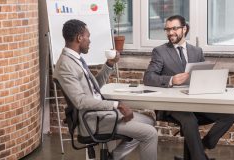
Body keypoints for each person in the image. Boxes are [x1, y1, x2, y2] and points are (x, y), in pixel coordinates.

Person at [54, 19, 157, 160]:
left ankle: (114, 156)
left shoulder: (75, 59)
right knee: (150, 133)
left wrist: (109, 64)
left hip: (103, 114)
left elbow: (94, 86)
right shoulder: (66, 65)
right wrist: (117, 105)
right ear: (79, 38)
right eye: (88, 36)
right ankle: (114, 156)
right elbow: (80, 101)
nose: (89, 41)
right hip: (95, 121)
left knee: (149, 121)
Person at [143, 15, 234, 160]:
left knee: (230, 115)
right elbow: (148, 77)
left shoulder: (196, 51)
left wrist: (213, 84)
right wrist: (171, 80)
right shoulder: (160, 51)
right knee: (190, 120)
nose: (170, 32)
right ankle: (199, 157)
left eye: (174, 28)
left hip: (195, 102)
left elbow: (204, 78)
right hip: (172, 106)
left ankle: (204, 144)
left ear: (184, 29)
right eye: (167, 29)